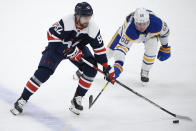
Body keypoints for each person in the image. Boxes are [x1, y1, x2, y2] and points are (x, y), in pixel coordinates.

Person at [10, 2, 114, 115]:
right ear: (77, 16)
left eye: (89, 17)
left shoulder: (93, 28)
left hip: (77, 49)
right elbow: (51, 34)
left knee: (91, 68)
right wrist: (67, 50)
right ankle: (22, 99)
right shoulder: (67, 21)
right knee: (43, 73)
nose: (87, 20)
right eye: (84, 17)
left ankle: (77, 99)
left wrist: (105, 67)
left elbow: (99, 49)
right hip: (56, 48)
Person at [107, 8, 171, 84]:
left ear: (149, 21)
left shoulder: (157, 23)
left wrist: (165, 46)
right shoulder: (129, 29)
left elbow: (165, 32)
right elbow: (121, 48)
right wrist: (118, 64)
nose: (142, 27)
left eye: (145, 24)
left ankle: (145, 71)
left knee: (152, 50)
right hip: (126, 33)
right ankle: (96, 63)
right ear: (134, 22)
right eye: (139, 24)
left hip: (150, 35)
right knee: (109, 51)